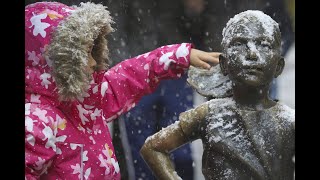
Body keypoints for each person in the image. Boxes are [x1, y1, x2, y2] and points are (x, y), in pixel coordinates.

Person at [24, 1, 221, 179]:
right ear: (54, 62)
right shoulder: (35, 123)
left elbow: (130, 75)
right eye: (83, 55)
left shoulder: (87, 101)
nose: (94, 62)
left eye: (93, 51)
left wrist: (179, 56)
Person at [140, 10, 295, 180]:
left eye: (264, 45)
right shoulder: (210, 114)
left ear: (279, 66)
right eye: (240, 44)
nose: (252, 53)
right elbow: (153, 148)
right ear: (224, 64)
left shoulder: (288, 121)